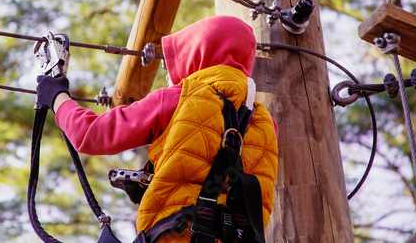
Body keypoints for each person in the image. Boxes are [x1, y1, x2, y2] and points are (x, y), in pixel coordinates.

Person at [36, 15, 278, 242]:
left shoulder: (180, 97)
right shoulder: (266, 123)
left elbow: (91, 135)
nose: (168, 76)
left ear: (199, 55)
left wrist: (56, 94)